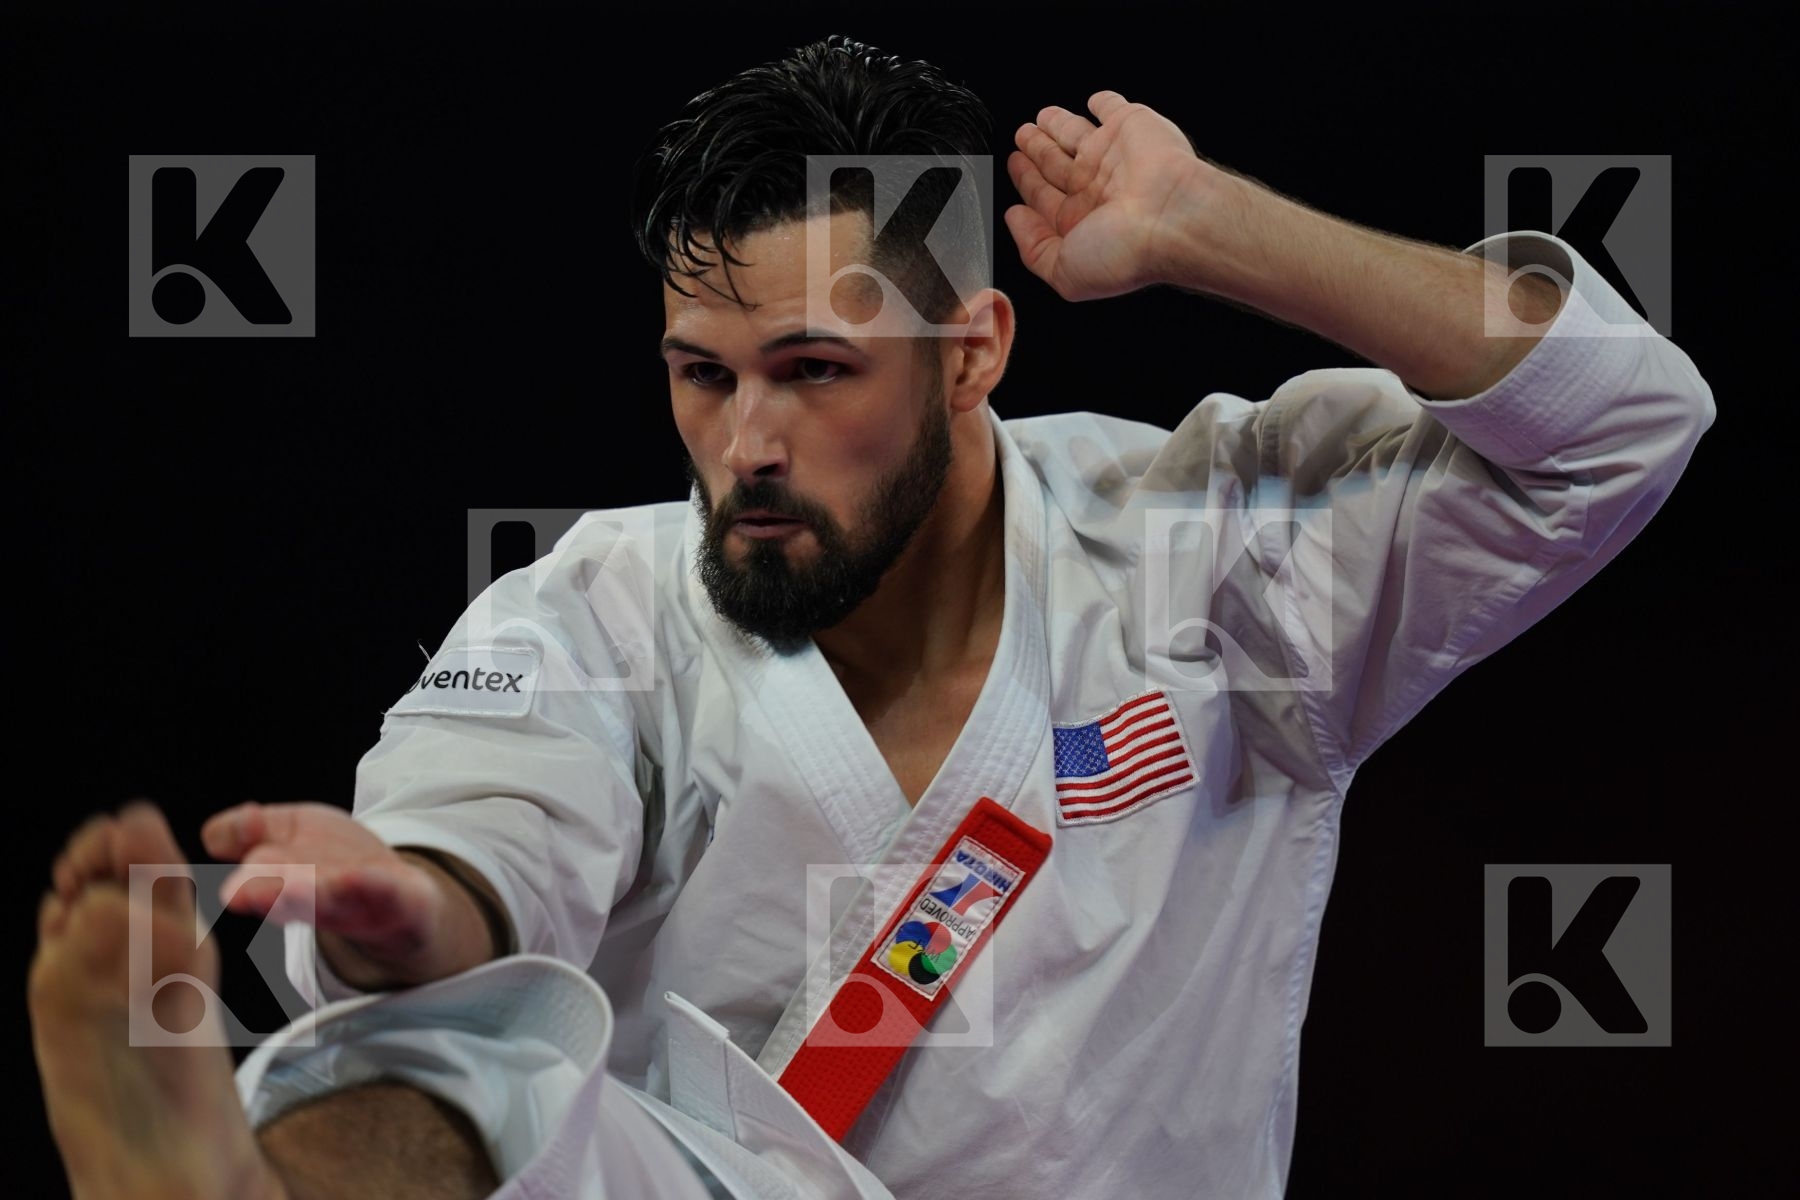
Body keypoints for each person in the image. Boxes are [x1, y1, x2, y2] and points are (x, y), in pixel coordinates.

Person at [31, 33, 1715, 1200]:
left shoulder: (1215, 565)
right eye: (703, 375)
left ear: (973, 350)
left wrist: (1214, 227)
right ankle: (229, 1181)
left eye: (814, 372)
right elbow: (490, 836)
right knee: (479, 1069)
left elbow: (1624, 423)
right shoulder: (598, 604)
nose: (744, 445)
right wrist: (417, 905)